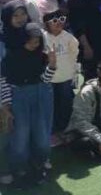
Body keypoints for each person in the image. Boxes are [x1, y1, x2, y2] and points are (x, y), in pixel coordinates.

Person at [5, 22, 55, 187]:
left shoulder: (41, 55)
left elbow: (45, 80)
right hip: (19, 96)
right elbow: (3, 81)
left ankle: (39, 166)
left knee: (42, 137)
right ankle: (19, 171)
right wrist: (5, 106)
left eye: (37, 40)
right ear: (23, 39)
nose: (34, 43)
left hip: (40, 94)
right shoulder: (11, 57)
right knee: (20, 138)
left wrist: (52, 65)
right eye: (31, 40)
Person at [44, 10, 78, 139]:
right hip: (50, 79)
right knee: (51, 105)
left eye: (61, 19)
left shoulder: (69, 37)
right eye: (54, 21)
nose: (58, 23)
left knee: (66, 104)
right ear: (47, 24)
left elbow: (74, 57)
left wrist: (74, 75)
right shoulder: (43, 37)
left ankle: (65, 129)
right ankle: (52, 131)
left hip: (66, 78)